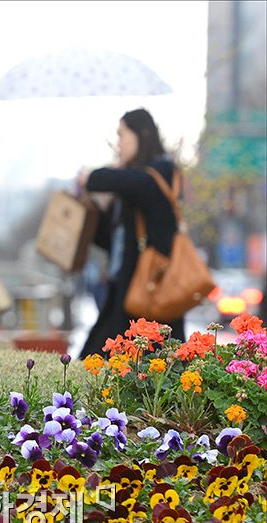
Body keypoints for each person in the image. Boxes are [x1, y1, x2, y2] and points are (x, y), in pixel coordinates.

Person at [78, 108, 185, 358]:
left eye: (122, 134)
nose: (119, 143)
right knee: (96, 364)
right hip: (125, 295)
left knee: (151, 371)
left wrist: (90, 177)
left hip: (152, 293)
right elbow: (112, 243)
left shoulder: (160, 172)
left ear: (142, 134)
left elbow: (112, 179)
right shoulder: (132, 187)